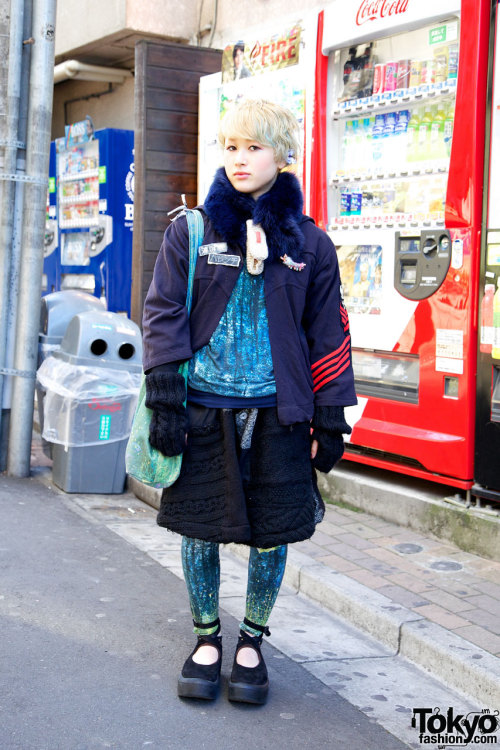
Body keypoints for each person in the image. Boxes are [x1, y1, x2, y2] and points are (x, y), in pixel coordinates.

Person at [142, 99, 357, 705]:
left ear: (283, 155)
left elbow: (327, 330)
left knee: (272, 534)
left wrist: (330, 413)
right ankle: (207, 639)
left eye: (254, 147)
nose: (240, 159)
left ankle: (253, 643)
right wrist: (165, 396)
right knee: (199, 528)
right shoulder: (191, 230)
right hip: (204, 406)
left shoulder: (310, 243)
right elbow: (163, 312)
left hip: (279, 414)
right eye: (231, 146)